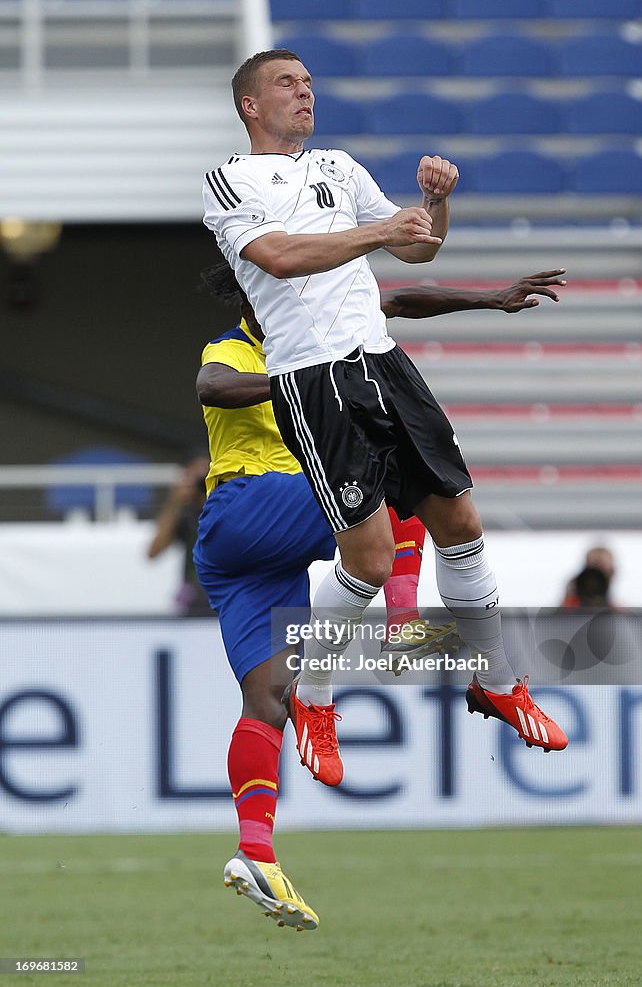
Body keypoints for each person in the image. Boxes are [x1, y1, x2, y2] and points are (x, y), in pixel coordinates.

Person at [193, 259, 567, 930]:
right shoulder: (236, 346)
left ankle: (255, 853)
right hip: (254, 504)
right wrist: (294, 384)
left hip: (244, 556)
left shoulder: (316, 329)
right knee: (391, 474)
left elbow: (399, 300)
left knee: (267, 698)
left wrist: (491, 299)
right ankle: (404, 623)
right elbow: (211, 384)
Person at [147, 451, 213, 616]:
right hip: (194, 599)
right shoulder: (185, 515)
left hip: (225, 595)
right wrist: (175, 501)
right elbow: (153, 551)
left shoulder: (225, 508)